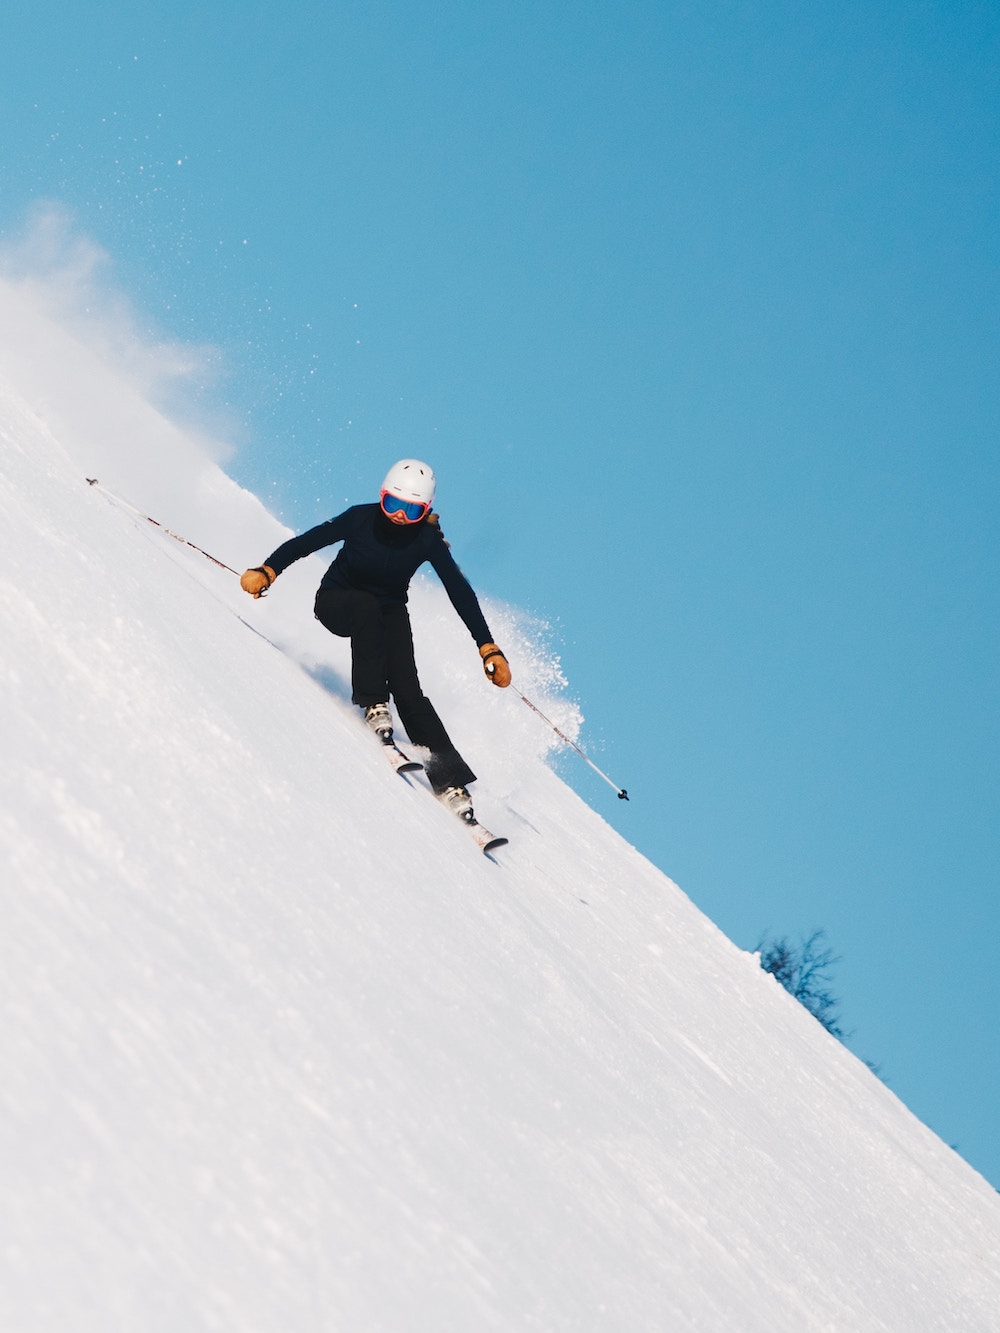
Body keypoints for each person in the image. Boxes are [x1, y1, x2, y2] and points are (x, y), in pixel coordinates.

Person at [240, 459, 511, 821]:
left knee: (409, 688)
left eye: (411, 510)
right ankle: (374, 703)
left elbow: (459, 591)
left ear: (426, 510)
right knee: (367, 607)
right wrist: (268, 569)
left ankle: (449, 782)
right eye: (393, 504)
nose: (399, 516)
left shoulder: (426, 540)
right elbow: (308, 542)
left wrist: (487, 646)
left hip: (387, 610)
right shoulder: (360, 518)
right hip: (337, 602)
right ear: (381, 498)